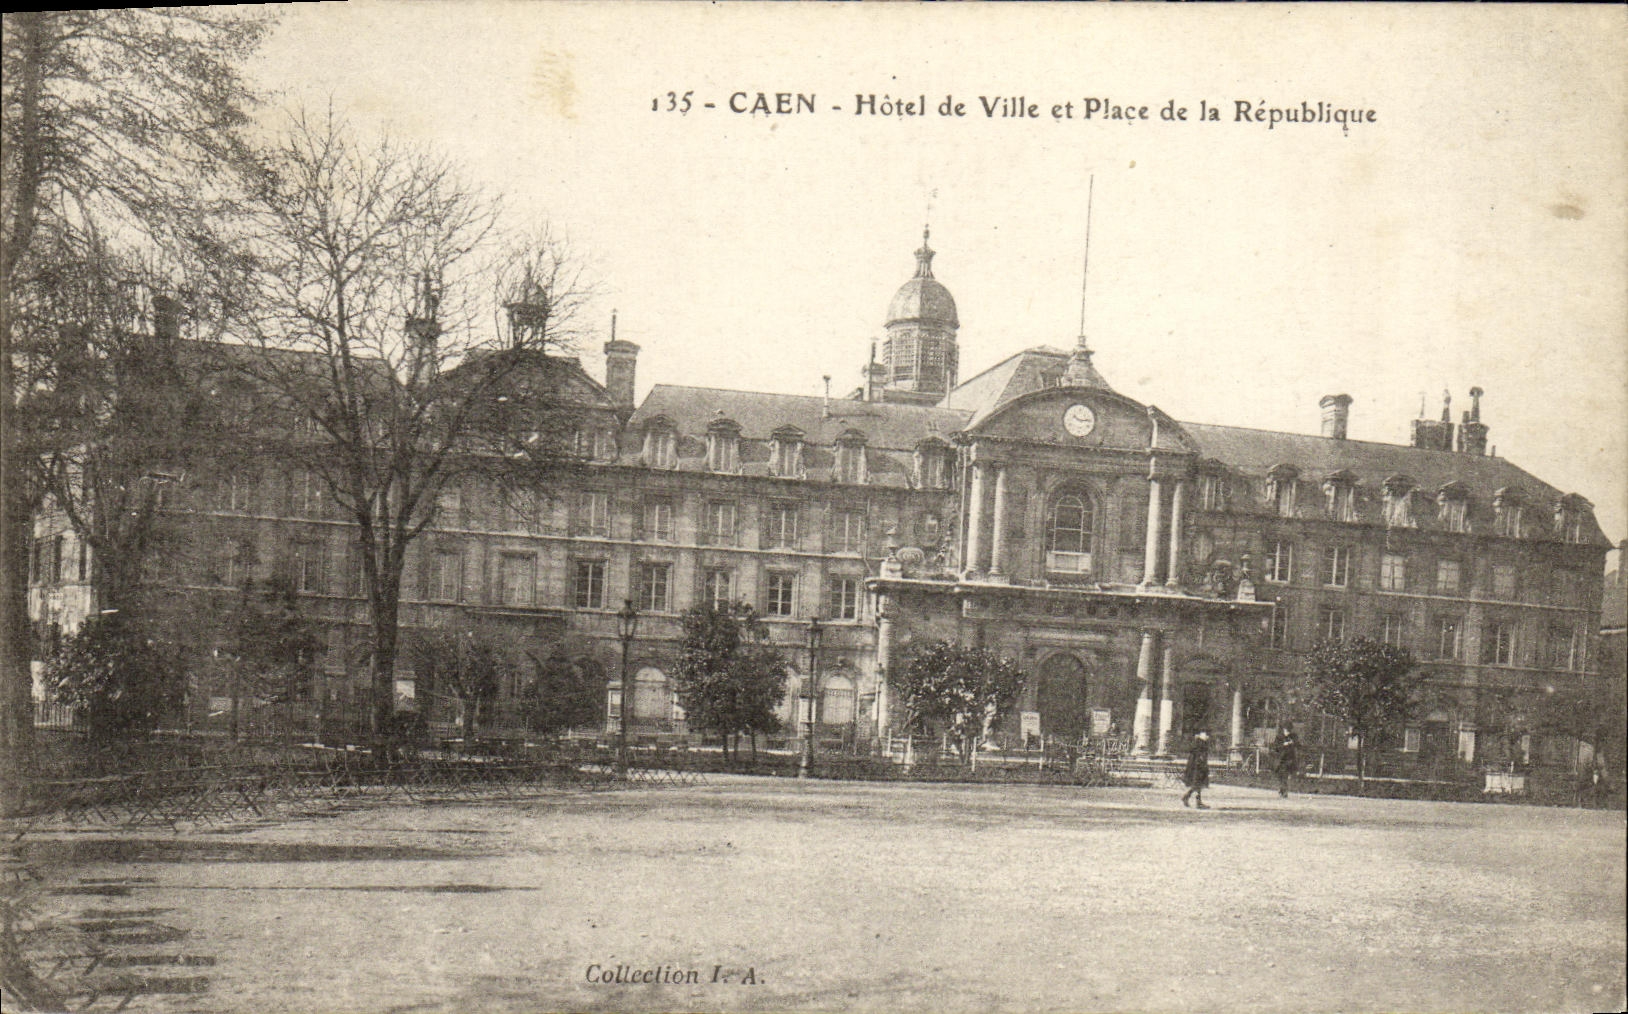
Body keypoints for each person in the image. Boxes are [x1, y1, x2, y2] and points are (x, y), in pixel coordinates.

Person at [1182, 731, 1211, 809]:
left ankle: (1197, 801)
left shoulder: (1195, 747)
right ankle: (1188, 797)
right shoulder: (1200, 748)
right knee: (1197, 785)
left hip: (1194, 768)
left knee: (1198, 786)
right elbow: (1201, 759)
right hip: (1198, 769)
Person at [1272, 724, 1300, 798]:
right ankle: (1282, 790)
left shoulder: (1293, 736)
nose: (1287, 732)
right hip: (1280, 759)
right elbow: (1275, 747)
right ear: (1284, 730)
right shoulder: (1279, 737)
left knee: (1285, 775)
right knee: (1281, 776)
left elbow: (1298, 745)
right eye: (1286, 730)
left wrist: (1293, 743)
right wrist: (1283, 744)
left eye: (1289, 730)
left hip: (1289, 759)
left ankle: (1284, 791)